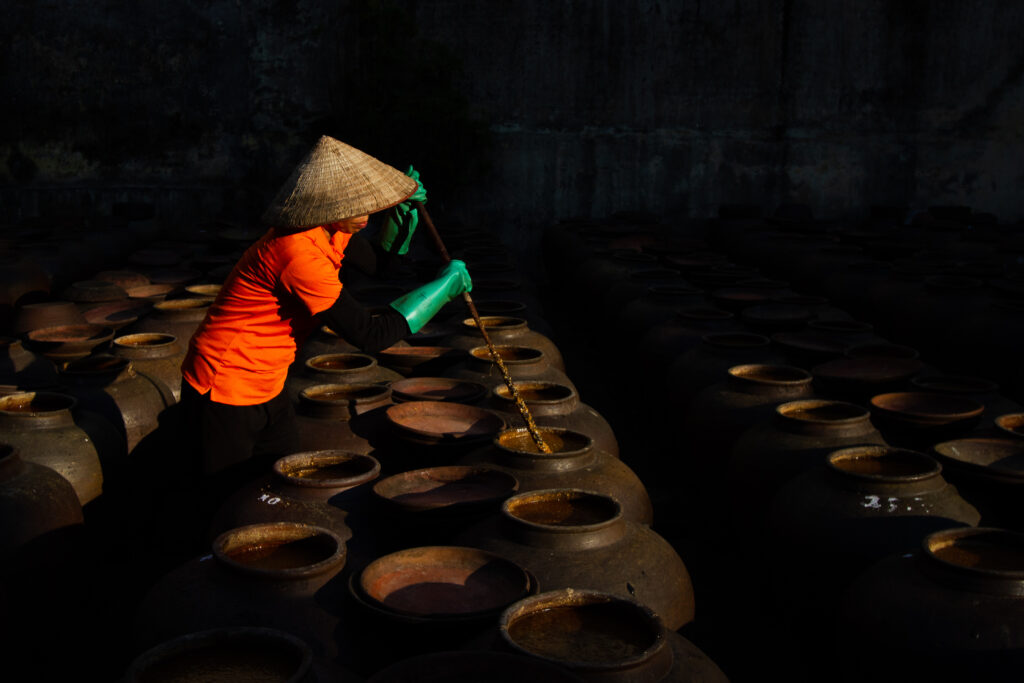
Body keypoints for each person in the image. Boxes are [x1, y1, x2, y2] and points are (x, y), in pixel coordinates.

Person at [177, 134, 472, 490]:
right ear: (330, 206)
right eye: (356, 208)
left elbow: (382, 267)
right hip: (225, 382)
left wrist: (401, 215)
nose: (365, 217)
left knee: (282, 482)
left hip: (269, 380)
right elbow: (370, 335)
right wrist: (441, 291)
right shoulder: (297, 253)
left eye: (369, 206)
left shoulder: (332, 228)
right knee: (226, 495)